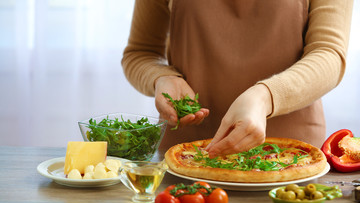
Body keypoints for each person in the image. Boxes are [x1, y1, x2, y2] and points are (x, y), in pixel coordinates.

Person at [122, 0, 353, 158]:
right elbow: (140, 53)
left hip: (289, 155)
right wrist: (161, 78)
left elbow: (329, 52)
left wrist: (264, 98)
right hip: (188, 154)